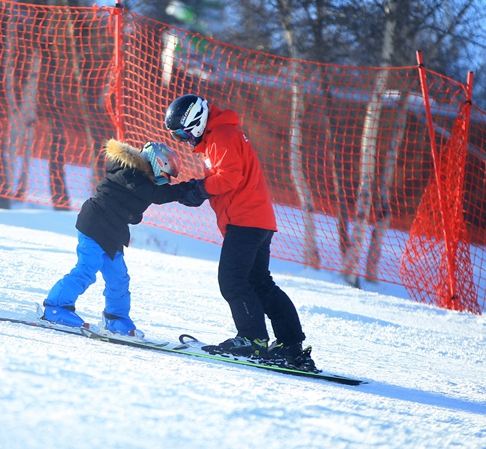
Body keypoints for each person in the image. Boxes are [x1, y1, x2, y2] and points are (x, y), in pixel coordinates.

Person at [165, 94, 316, 371]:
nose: (183, 139)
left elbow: (230, 176)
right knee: (260, 282)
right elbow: (228, 176)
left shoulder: (221, 134)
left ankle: (252, 339)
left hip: (246, 220)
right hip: (256, 219)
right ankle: (290, 345)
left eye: (182, 133)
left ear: (196, 121)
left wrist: (199, 189)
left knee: (232, 280)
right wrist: (197, 189)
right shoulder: (219, 135)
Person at [42, 139, 190, 337]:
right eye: (164, 177)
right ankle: (56, 307)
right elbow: (156, 194)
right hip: (95, 223)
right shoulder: (130, 172)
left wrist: (195, 191)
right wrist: (191, 189)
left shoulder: (141, 179)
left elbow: (155, 193)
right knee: (87, 268)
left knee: (118, 277)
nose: (163, 182)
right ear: (156, 164)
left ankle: (116, 318)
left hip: (113, 230)